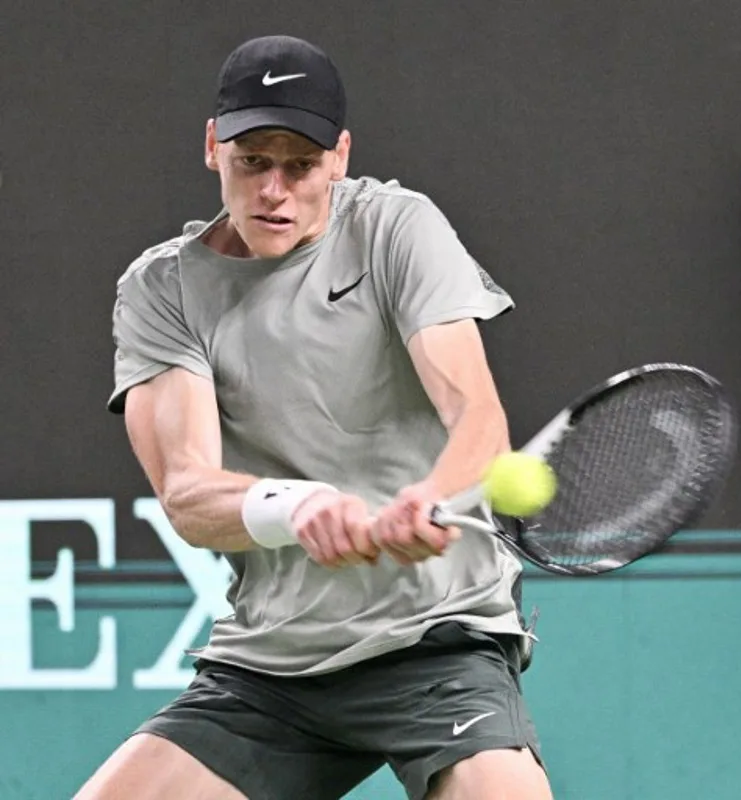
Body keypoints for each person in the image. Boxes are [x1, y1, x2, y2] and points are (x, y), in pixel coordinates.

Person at [75, 34, 552, 800]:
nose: (275, 190)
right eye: (252, 160)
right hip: (272, 666)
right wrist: (299, 507)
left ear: (340, 157)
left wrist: (424, 501)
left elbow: (477, 416)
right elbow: (189, 495)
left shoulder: (399, 228)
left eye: (300, 164)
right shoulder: (163, 290)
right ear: (212, 148)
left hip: (434, 639)